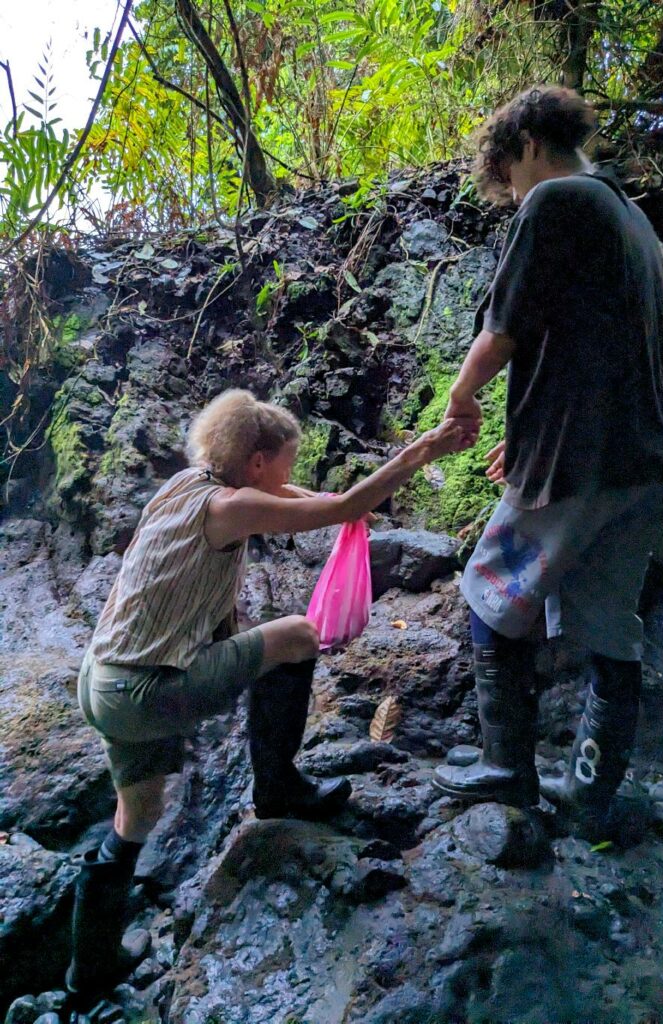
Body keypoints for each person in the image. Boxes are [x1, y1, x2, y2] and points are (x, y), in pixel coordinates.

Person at [67, 389, 473, 1003]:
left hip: (102, 682)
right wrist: (423, 449)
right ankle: (278, 787)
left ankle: (88, 972)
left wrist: (343, 508)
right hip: (145, 690)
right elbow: (342, 503)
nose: (292, 472)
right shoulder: (231, 508)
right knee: (297, 635)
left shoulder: (188, 484)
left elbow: (312, 501)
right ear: (255, 461)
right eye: (287, 459)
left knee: (137, 818)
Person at [432, 86, 663, 836]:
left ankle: (508, 768)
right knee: (609, 624)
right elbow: (598, 343)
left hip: (582, 463)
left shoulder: (557, 200)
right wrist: (533, 427)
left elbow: (504, 332)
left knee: (487, 591)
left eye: (508, 179)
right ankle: (589, 799)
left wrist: (462, 397)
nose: (513, 197)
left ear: (528, 146)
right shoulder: (627, 214)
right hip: (641, 457)